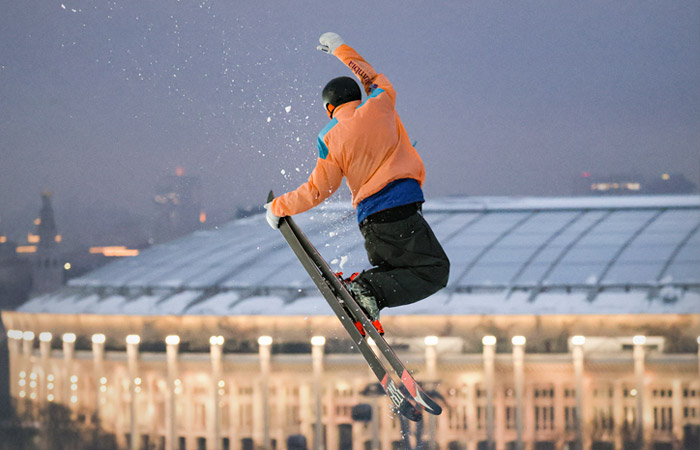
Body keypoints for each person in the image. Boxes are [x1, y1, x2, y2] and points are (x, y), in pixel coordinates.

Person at [265, 32, 449, 321]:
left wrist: (279, 207)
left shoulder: (329, 137)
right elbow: (369, 74)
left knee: (400, 272)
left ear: (329, 108)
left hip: (372, 224)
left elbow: (318, 190)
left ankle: (364, 293)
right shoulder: (381, 102)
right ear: (358, 96)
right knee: (433, 271)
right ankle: (365, 290)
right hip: (400, 211)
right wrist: (340, 48)